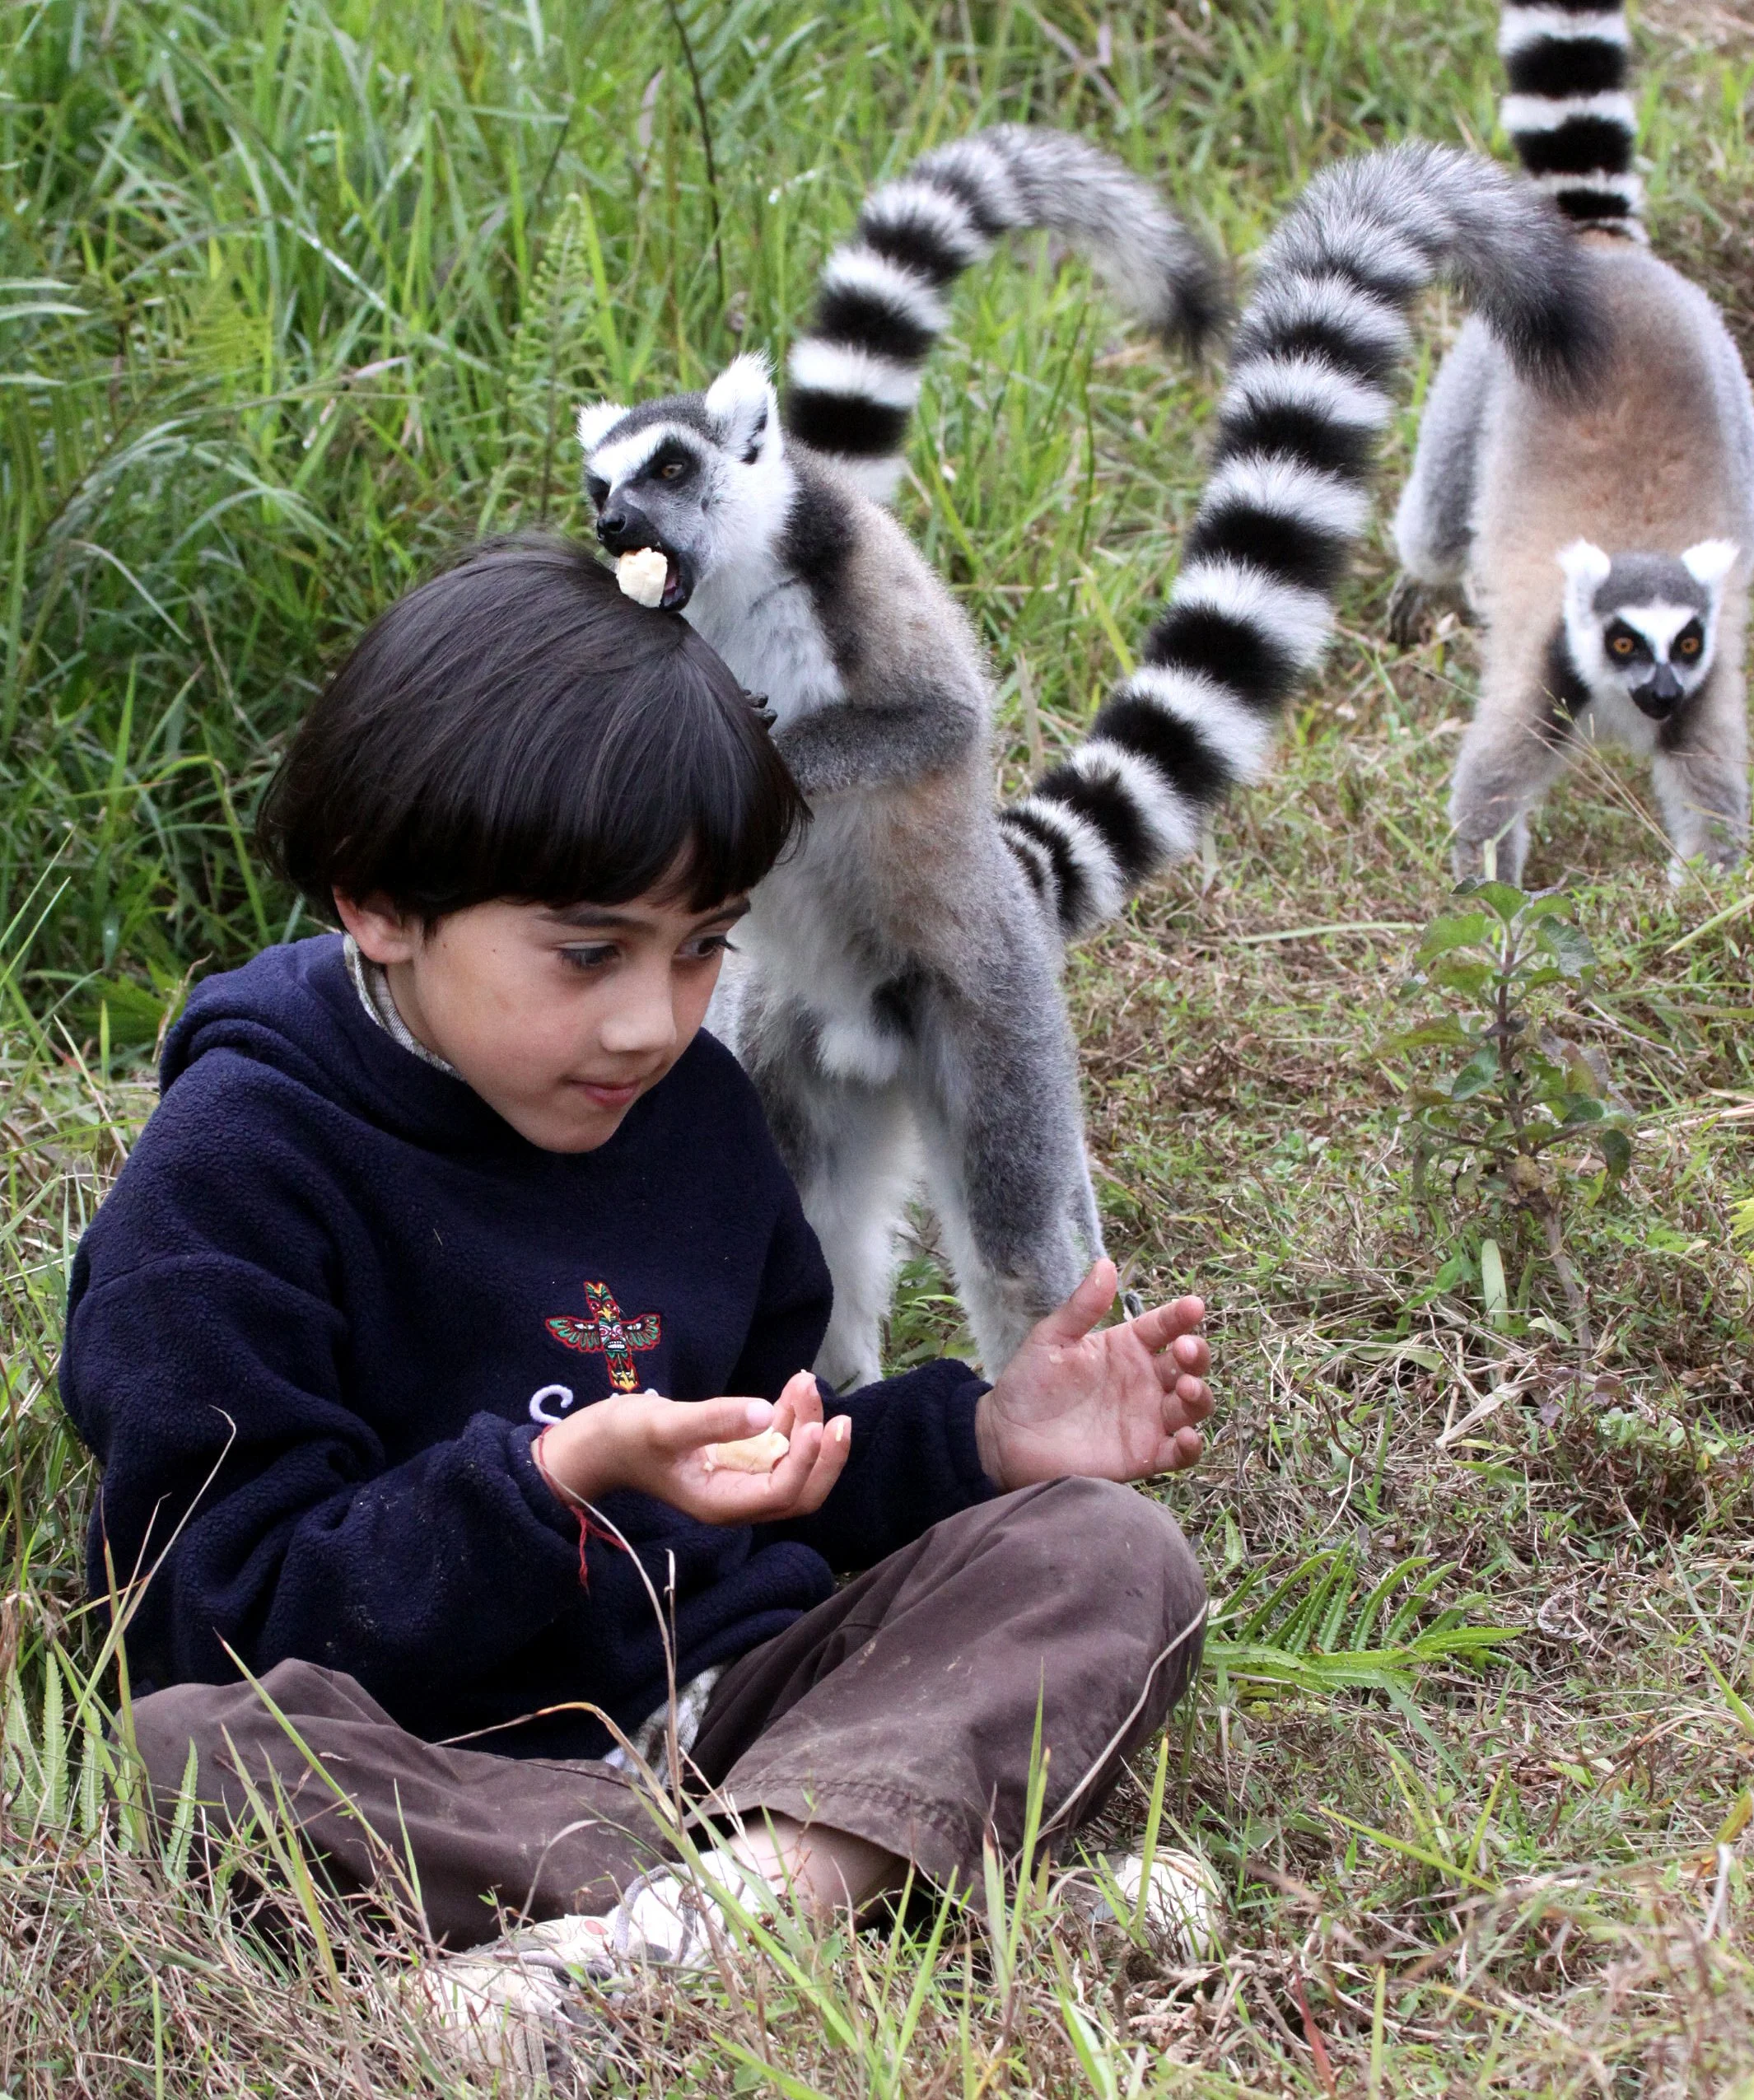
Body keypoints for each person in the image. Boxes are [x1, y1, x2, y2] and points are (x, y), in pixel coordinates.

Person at [58, 536, 1215, 2069]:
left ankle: (673, 1940)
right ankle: (865, 1883)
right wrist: (556, 1482)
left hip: (735, 1713)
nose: (649, 1019)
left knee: (1105, 1552)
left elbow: (765, 1472)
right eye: (588, 951)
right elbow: (212, 1612)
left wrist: (980, 1442)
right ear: (381, 903)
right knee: (182, 1755)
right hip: (457, 1762)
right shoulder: (236, 1168)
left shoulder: (692, 1114)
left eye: (702, 949)